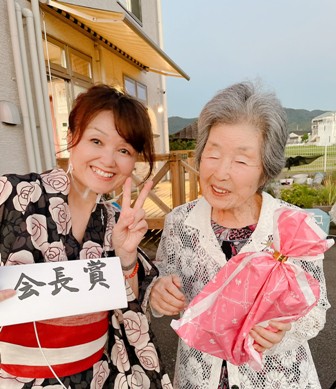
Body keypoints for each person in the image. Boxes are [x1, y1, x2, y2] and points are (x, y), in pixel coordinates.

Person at [149, 81, 329, 388]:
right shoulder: (180, 222)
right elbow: (161, 286)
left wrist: (283, 331)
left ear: (266, 169)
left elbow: (316, 311)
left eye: (242, 160)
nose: (221, 172)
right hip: (198, 377)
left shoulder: (293, 225)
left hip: (275, 378)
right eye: (213, 153)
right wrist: (158, 294)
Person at [0, 84, 172, 388]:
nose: (109, 160)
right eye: (96, 140)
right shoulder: (12, 194)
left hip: (94, 374)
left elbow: (131, 300)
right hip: (15, 376)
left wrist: (126, 255)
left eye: (124, 150)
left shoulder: (114, 220)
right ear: (71, 138)